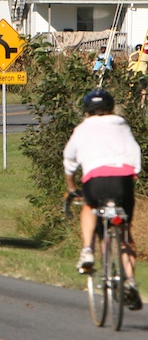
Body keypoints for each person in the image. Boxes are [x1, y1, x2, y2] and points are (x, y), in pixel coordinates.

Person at [64, 89, 142, 310]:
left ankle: (88, 249)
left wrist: (71, 187)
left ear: (87, 111)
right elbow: (135, 154)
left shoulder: (81, 129)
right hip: (123, 179)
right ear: (111, 107)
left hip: (95, 179)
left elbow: (69, 160)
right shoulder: (121, 124)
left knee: (89, 206)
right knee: (125, 232)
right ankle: (130, 281)